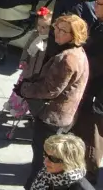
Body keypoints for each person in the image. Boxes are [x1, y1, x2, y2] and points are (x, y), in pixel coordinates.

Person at [20, 14, 91, 181]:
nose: (57, 33)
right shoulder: (77, 53)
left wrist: (25, 89)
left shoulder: (67, 58)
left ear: (74, 35)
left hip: (52, 117)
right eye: (56, 28)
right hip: (62, 116)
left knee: (42, 161)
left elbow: (50, 90)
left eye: (63, 31)